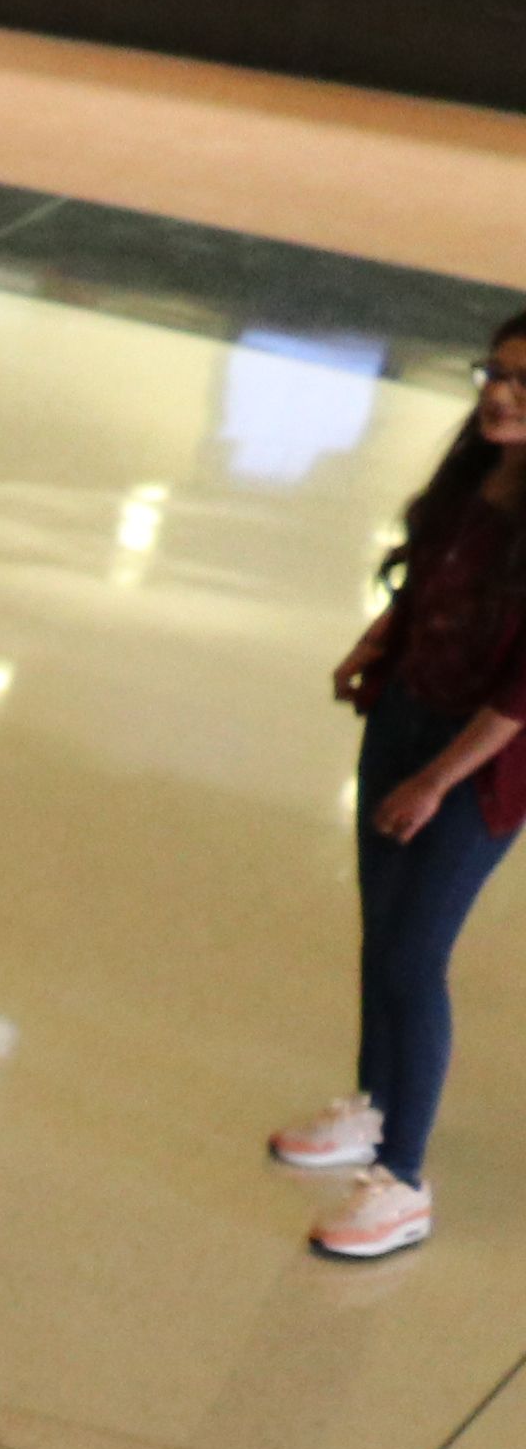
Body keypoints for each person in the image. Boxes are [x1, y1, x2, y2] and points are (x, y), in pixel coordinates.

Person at [277, 307, 526, 1263]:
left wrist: (435, 781)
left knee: (416, 956)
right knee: (382, 935)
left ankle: (403, 1182)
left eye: (522, 384)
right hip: (403, 721)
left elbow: (523, 692)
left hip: (477, 764)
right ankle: (372, 1112)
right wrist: (372, 646)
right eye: (494, 372)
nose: (498, 395)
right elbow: (422, 588)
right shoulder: (471, 480)